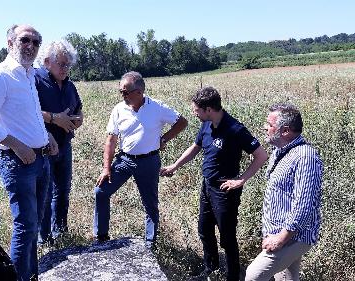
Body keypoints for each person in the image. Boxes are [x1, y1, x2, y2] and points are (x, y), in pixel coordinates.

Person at [0, 24, 58, 281]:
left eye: (36, 41)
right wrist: (14, 143)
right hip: (17, 161)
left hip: (40, 158)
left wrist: (47, 135)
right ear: (9, 43)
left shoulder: (28, 74)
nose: (31, 46)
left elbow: (26, 116)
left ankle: (30, 275)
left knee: (34, 223)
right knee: (25, 226)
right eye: (25, 40)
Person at [160, 86, 268, 281]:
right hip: (207, 186)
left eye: (197, 110)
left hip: (225, 190)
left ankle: (233, 276)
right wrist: (175, 166)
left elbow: (261, 155)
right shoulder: (206, 125)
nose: (195, 114)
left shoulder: (235, 129)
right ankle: (211, 270)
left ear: (208, 109)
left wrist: (241, 179)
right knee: (204, 229)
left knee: (227, 237)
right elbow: (195, 147)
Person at [94, 71, 188, 247]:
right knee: (101, 191)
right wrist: (106, 168)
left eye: (125, 92)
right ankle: (101, 237)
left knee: (150, 203)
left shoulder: (157, 107)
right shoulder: (118, 109)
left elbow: (182, 122)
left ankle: (150, 243)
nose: (122, 96)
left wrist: (164, 139)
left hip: (149, 161)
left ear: (139, 92)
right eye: (120, 91)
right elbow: (111, 140)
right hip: (124, 160)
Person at [244, 103, 323, 281]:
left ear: (285, 131)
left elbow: (304, 203)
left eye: (270, 125)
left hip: (294, 236)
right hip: (280, 233)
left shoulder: (305, 156)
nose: (265, 127)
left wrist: (282, 237)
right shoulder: (279, 151)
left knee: (254, 276)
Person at [36, 40, 83, 243]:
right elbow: (29, 112)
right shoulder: (36, 81)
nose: (65, 69)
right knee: (45, 195)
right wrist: (55, 118)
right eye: (62, 64)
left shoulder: (70, 85)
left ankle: (60, 232)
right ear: (47, 62)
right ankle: (44, 238)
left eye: (68, 65)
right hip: (44, 148)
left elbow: (78, 107)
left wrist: (79, 117)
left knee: (63, 190)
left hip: (65, 145)